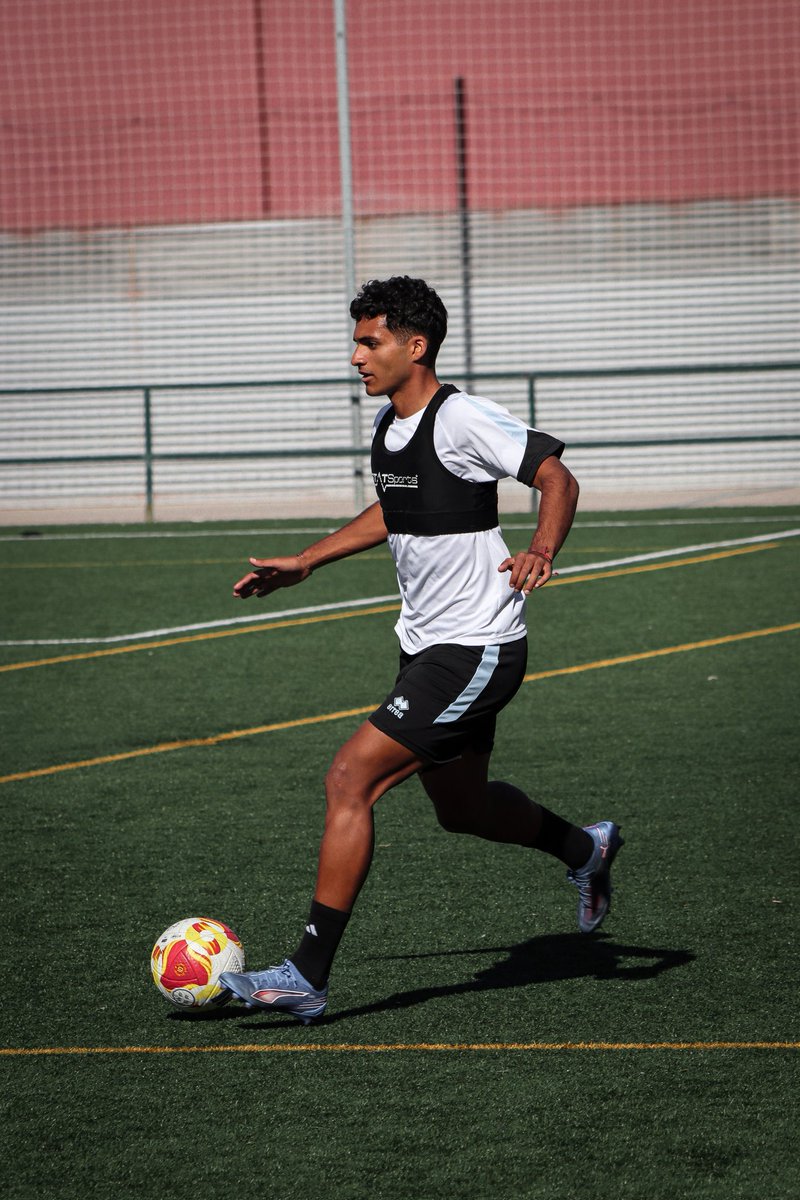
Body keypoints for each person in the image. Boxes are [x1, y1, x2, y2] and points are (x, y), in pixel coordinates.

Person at [221, 276, 623, 1024]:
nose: (356, 356)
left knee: (350, 778)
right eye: (357, 340)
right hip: (428, 646)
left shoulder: (462, 416)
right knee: (462, 808)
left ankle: (306, 974)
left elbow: (555, 476)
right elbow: (395, 508)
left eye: (370, 341)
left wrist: (542, 545)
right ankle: (584, 848)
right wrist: (308, 561)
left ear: (417, 345)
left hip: (475, 647)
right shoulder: (391, 426)